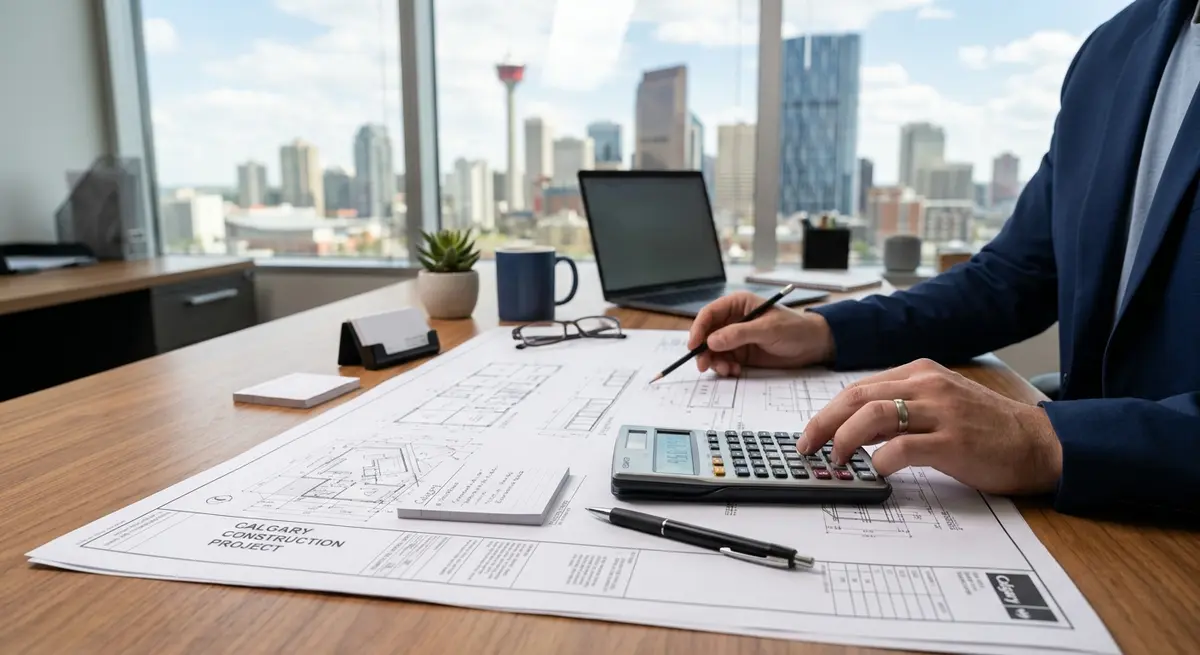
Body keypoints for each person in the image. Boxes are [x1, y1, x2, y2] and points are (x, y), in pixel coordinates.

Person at [689, 0, 1200, 520]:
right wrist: (821, 332)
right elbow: (1009, 278)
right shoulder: (1114, 49)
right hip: (1083, 527)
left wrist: (1046, 439)